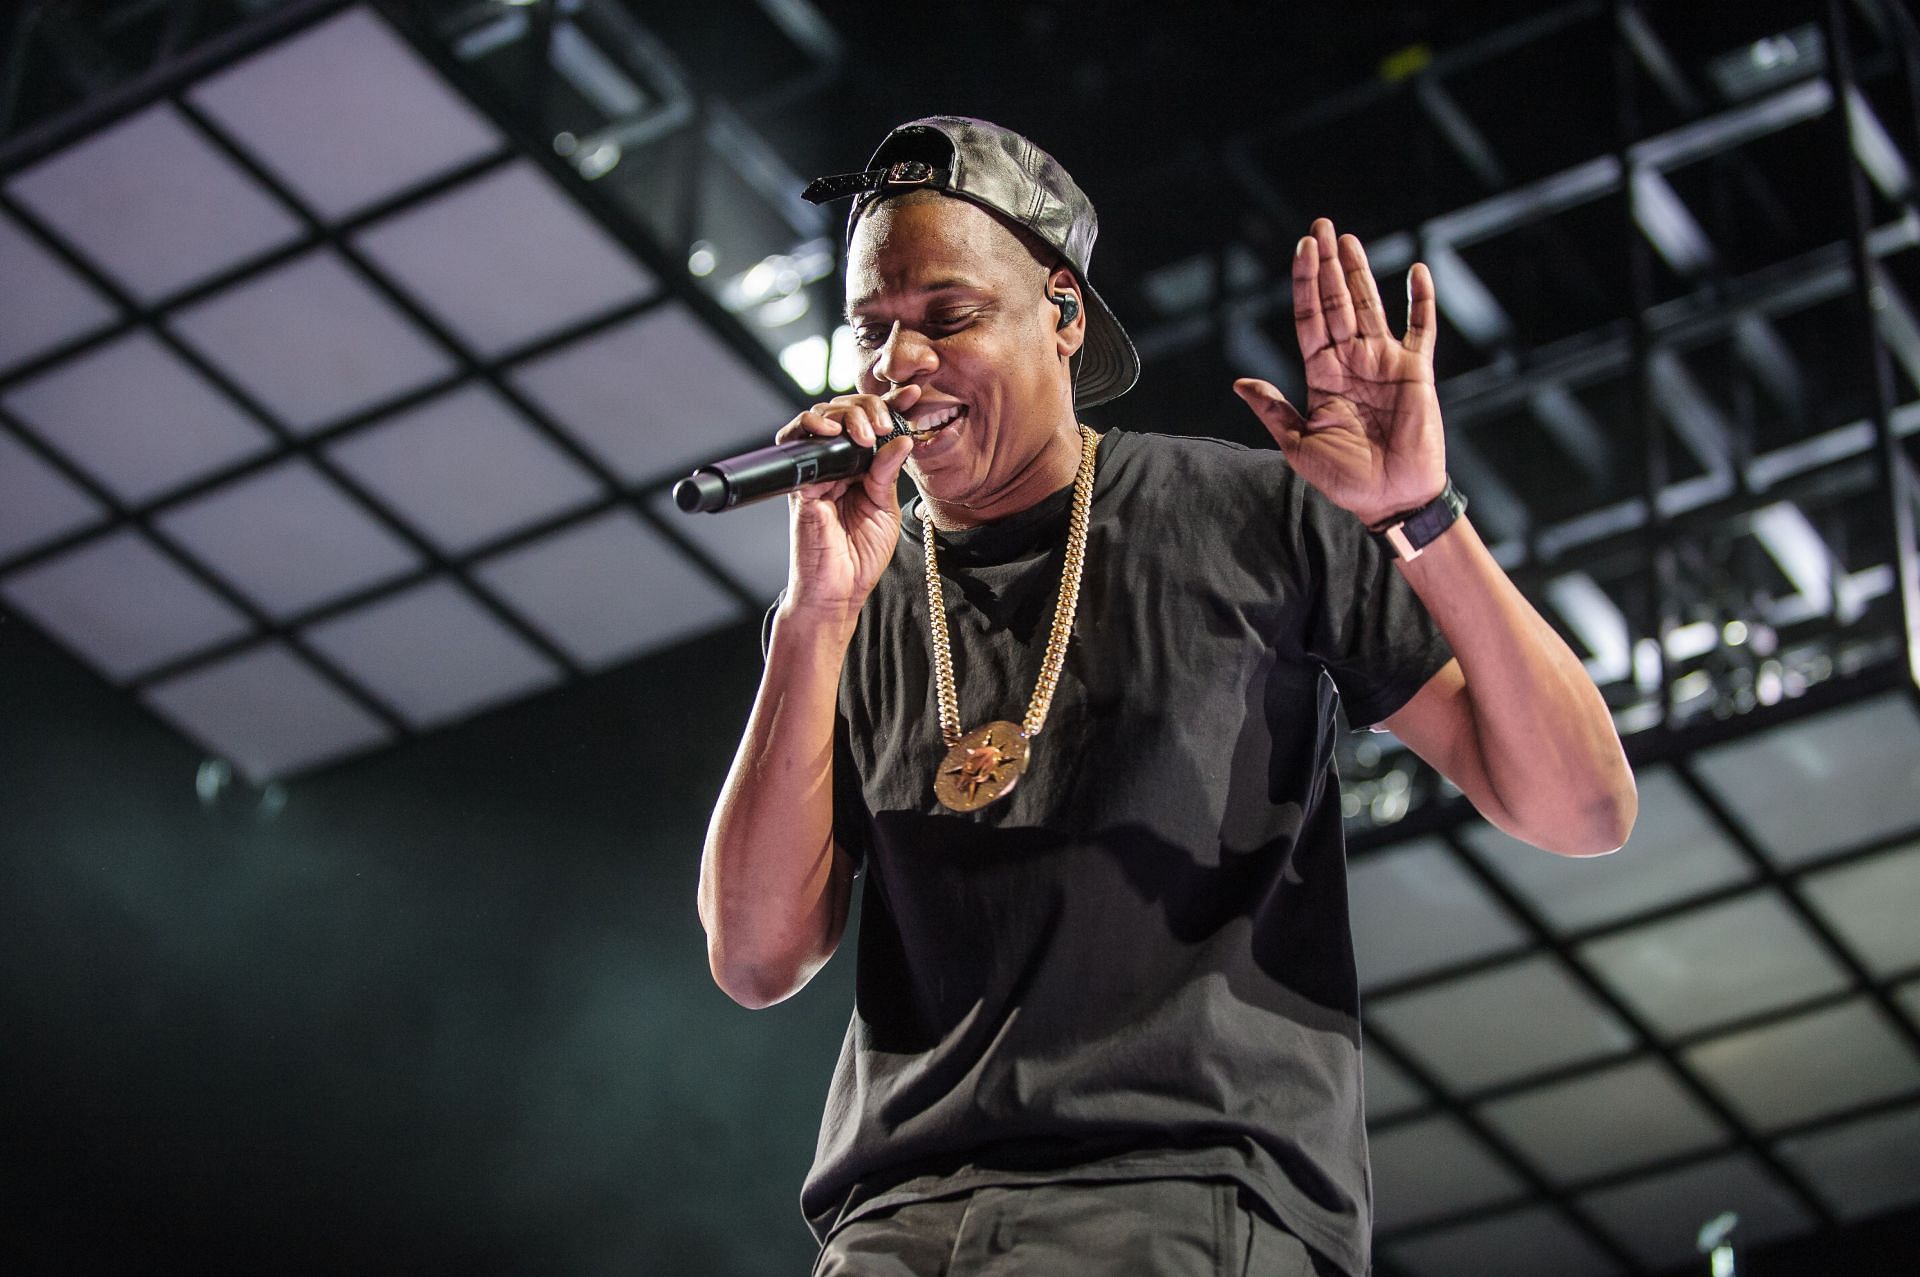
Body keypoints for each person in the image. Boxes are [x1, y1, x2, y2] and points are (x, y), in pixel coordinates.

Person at [695, 117, 1636, 1277]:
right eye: (872, 331)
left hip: (1184, 1195)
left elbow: (1583, 810)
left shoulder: (1250, 512)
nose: (899, 366)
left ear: (1064, 312)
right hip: (892, 1227)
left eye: (950, 318)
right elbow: (754, 958)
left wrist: (1419, 518)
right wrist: (814, 619)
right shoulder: (859, 597)